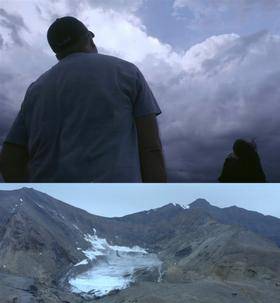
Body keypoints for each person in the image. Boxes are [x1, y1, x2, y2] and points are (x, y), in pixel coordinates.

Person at [0, 16, 166, 182]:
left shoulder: (35, 89)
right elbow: (151, 148)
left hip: (53, 198)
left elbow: (10, 157)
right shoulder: (127, 71)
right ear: (90, 40)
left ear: (58, 55)